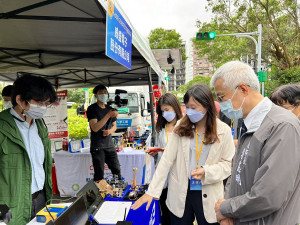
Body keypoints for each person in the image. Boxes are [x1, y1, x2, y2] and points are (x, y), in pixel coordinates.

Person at [132, 84, 235, 225]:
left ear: (207, 106)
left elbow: (228, 164)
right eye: (187, 107)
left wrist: (207, 171)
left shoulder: (223, 131)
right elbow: (166, 160)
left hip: (208, 190)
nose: (190, 111)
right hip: (181, 189)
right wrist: (152, 192)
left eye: (194, 107)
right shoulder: (181, 126)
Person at [212, 61, 300, 225]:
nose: (221, 104)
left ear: (243, 89)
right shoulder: (248, 124)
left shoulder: (281, 126)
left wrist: (226, 208)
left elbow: (269, 195)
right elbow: (236, 172)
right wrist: (227, 213)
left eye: (221, 97)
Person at [0, 74, 57, 225]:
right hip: (11, 205)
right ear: (19, 100)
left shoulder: (40, 126)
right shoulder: (2, 127)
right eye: (39, 102)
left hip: (41, 198)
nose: (43, 108)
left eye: (46, 103)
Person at [147, 93, 182, 225]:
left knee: (178, 213)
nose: (165, 113)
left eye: (167, 110)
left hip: (178, 176)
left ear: (175, 107)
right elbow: (159, 146)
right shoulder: (160, 128)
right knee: (165, 212)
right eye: (162, 111)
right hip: (163, 177)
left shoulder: (184, 126)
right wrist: (155, 151)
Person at [86, 84, 121, 182]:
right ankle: (99, 194)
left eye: (105, 92)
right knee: (99, 174)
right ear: (95, 95)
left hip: (109, 145)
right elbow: (95, 128)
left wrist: (109, 131)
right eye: (100, 93)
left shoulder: (109, 108)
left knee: (117, 170)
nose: (103, 94)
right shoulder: (92, 109)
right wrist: (108, 115)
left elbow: (115, 126)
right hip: (97, 147)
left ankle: (116, 190)